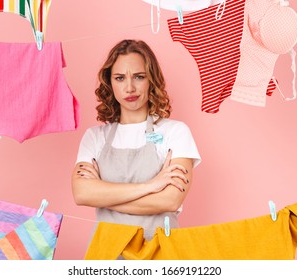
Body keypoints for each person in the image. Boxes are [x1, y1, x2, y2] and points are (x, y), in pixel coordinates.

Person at [71, 39, 201, 242]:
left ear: (152, 80)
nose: (129, 87)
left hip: (159, 256)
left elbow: (170, 200)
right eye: (120, 78)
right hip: (107, 258)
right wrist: (151, 186)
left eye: (139, 77)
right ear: (110, 82)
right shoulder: (95, 137)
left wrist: (103, 196)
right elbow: (81, 194)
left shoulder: (175, 132)